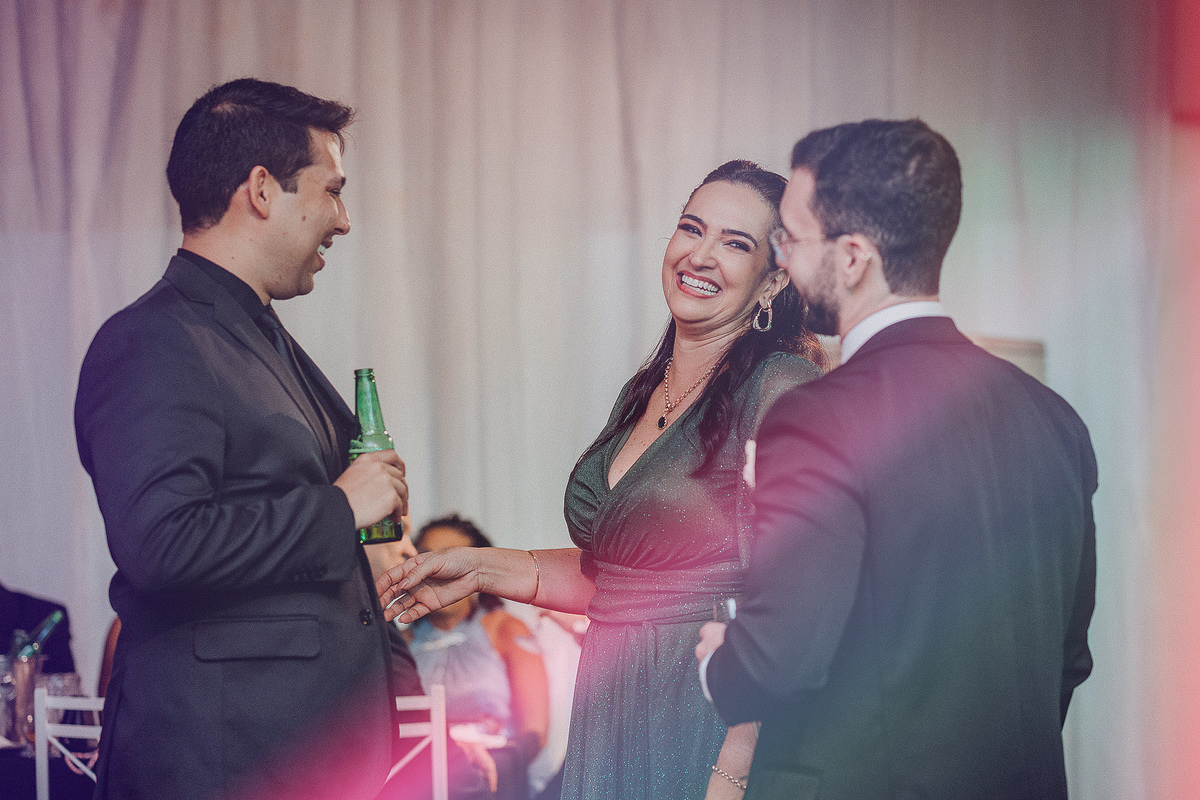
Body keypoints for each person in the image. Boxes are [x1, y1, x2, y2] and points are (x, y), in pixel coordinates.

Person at [379, 160, 827, 800]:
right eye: (691, 228)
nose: (700, 256)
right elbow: (620, 581)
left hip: (704, 720)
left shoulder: (780, 385)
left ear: (774, 277)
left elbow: (798, 603)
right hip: (610, 707)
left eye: (735, 243)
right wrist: (478, 568)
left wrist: (734, 768)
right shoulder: (642, 393)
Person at [695, 119, 1098, 800]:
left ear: (852, 257)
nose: (782, 261)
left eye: (790, 239)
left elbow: (774, 664)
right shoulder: (1055, 420)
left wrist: (720, 664)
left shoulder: (817, 417)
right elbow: (1068, 659)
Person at [74, 78, 418, 800]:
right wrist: (340, 509)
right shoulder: (153, 339)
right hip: (221, 762)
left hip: (311, 759)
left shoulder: (257, 336)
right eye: (332, 191)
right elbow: (161, 544)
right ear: (262, 190)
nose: (344, 220)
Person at [405, 515, 550, 800]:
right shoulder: (401, 642)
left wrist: (493, 766)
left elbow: (536, 730)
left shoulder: (505, 629)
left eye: (449, 559)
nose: (437, 570)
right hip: (421, 779)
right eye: (427, 557)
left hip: (496, 777)